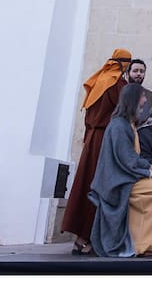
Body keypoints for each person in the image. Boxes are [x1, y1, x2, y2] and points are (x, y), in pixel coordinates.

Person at [89, 83, 152, 257]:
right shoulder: (119, 126)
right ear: (133, 100)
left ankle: (150, 242)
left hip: (129, 177)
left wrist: (151, 169)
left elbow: (131, 158)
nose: (144, 101)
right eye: (142, 97)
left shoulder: (128, 124)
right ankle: (144, 244)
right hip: (119, 182)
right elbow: (126, 160)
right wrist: (150, 170)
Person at [60, 48, 131, 253]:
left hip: (92, 138)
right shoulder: (117, 83)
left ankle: (80, 238)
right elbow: (124, 112)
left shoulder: (99, 80)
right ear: (123, 64)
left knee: (84, 184)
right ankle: (90, 237)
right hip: (105, 140)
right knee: (99, 186)